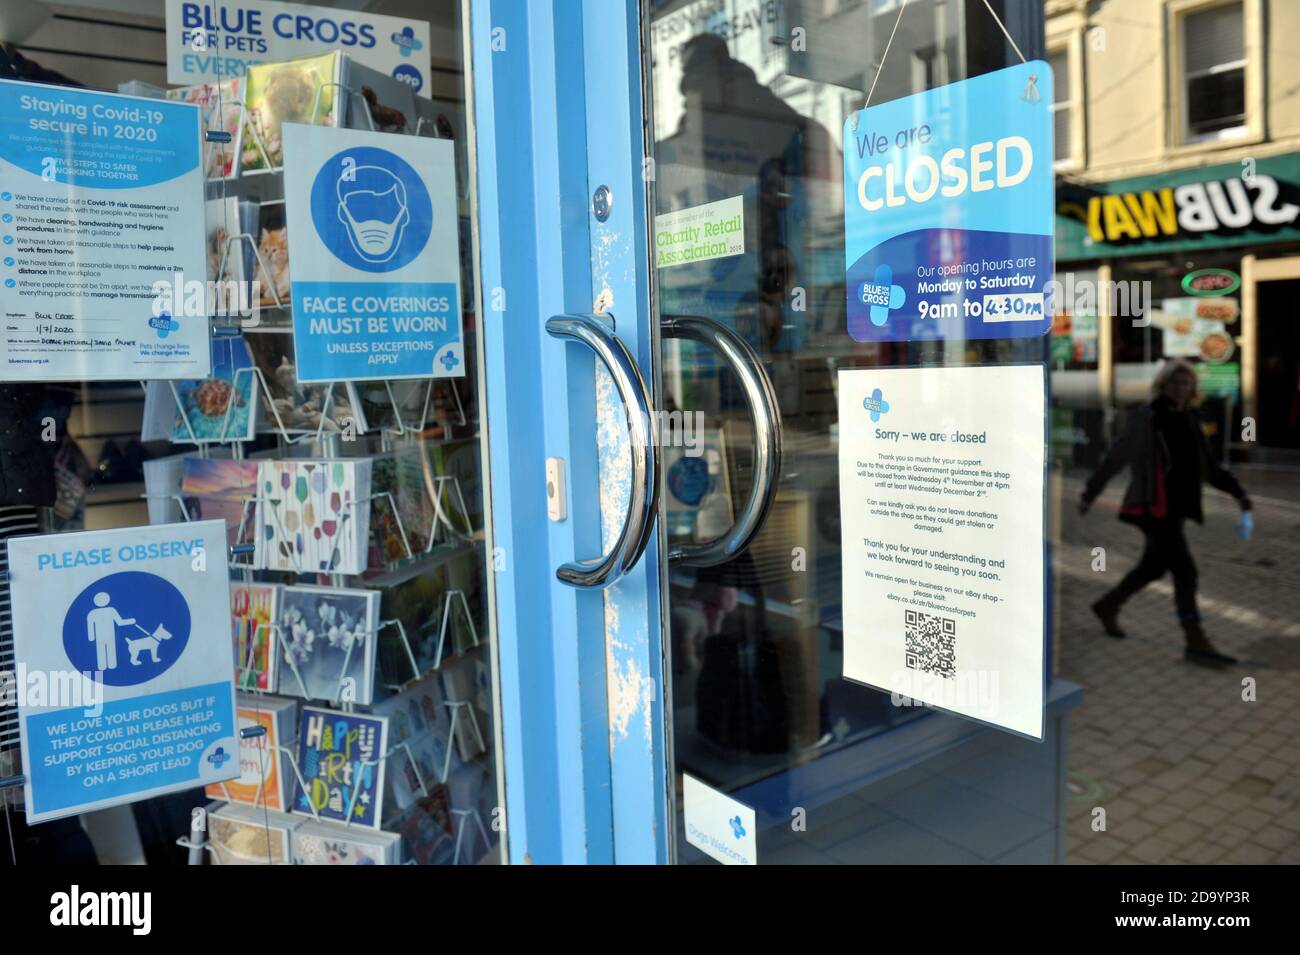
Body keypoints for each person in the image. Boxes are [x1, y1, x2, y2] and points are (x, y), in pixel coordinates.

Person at [1079, 359, 1252, 665]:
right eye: (1175, 382)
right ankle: (1195, 642)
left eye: (1186, 383)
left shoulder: (1191, 418)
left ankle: (1108, 605)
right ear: (1163, 384)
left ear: (1192, 388)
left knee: (1153, 566)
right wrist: (1090, 493)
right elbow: (1116, 457)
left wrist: (1239, 494)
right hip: (1153, 507)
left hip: (1178, 507)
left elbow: (1209, 467)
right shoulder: (1147, 418)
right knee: (1185, 569)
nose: (1181, 388)